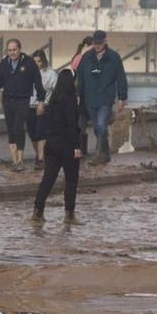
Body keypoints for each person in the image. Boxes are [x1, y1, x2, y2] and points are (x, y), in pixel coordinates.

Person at [31, 67, 84, 222]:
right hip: (67, 145)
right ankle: (69, 214)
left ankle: (37, 211)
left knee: (48, 179)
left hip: (51, 145)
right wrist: (77, 147)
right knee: (71, 179)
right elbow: (72, 126)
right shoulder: (70, 99)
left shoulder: (53, 99)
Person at [0, 38, 46, 171]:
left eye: (14, 50)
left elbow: (38, 82)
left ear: (19, 49)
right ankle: (15, 161)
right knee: (11, 130)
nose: (12, 53)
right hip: (7, 100)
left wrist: (41, 101)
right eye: (9, 50)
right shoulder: (4, 64)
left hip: (22, 100)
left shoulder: (29, 63)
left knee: (19, 128)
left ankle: (20, 160)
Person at [76, 30, 128, 163]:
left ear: (105, 41)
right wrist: (77, 94)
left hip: (106, 98)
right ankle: (105, 154)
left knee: (101, 125)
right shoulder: (87, 57)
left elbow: (121, 77)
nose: (97, 46)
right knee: (97, 127)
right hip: (90, 98)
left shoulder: (114, 57)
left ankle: (99, 155)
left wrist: (122, 97)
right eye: (95, 43)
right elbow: (80, 77)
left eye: (100, 43)